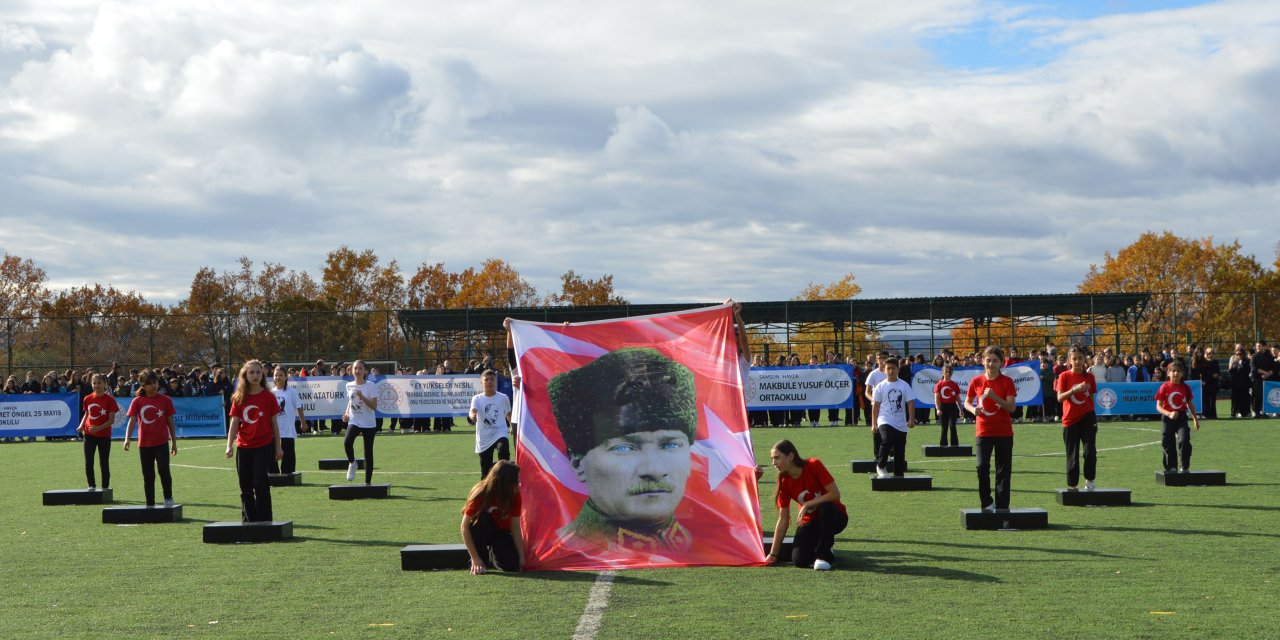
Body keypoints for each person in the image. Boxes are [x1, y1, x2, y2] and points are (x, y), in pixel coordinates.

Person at [548, 347, 695, 552]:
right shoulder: (564, 549)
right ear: (578, 464)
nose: (653, 470)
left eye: (670, 445)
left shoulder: (711, 543)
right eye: (625, 448)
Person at [766, 439, 847, 570]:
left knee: (826, 508)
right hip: (810, 522)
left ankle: (824, 555)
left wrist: (807, 504)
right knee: (800, 560)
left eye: (777, 458)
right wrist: (773, 554)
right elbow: (783, 519)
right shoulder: (783, 482)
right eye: (772, 458)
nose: (773, 463)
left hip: (835, 517)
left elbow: (835, 494)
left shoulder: (814, 464)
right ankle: (823, 544)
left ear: (791, 456)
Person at [226, 360, 283, 522]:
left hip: (264, 446)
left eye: (258, 372)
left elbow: (274, 424)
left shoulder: (269, 397)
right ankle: (249, 522)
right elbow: (234, 423)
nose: (255, 375)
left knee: (259, 483)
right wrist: (229, 445)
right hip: (243, 447)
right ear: (245, 375)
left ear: (262, 375)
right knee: (245, 485)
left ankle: (265, 521)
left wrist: (278, 447)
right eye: (251, 372)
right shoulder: (239, 397)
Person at [964, 346, 1017, 511]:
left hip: (1003, 432)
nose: (991, 363)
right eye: (988, 360)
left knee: (1003, 470)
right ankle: (986, 502)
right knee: (981, 467)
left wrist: (995, 397)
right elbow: (967, 402)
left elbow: (1011, 408)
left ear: (1001, 362)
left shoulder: (1007, 381)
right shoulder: (977, 381)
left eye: (995, 360)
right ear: (982, 361)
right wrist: (974, 410)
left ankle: (1002, 506)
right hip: (983, 431)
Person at [122, 370, 178, 507]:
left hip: (161, 443)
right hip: (144, 445)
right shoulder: (137, 401)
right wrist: (127, 438)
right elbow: (132, 421)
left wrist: (174, 443)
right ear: (143, 385)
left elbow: (170, 422)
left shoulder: (166, 400)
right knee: (148, 476)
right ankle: (150, 503)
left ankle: (168, 498)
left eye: (155, 382)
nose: (153, 386)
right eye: (149, 384)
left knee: (164, 470)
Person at [461, 460, 524, 574]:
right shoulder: (481, 493)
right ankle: (480, 555)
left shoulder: (515, 494)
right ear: (505, 481)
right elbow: (464, 527)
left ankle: (494, 554)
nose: (519, 483)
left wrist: (521, 558)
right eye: (516, 479)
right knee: (484, 518)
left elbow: (515, 526)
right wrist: (475, 559)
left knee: (511, 565)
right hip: (481, 530)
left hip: (501, 532)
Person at [1055, 347, 1098, 491]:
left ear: (1084, 359)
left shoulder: (1089, 377)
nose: (1078, 361)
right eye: (1074, 358)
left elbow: (1091, 397)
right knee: (1072, 454)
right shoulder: (1064, 376)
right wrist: (1074, 390)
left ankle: (1090, 480)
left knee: (1090, 452)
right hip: (1070, 419)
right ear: (1069, 360)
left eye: (1080, 358)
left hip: (1088, 418)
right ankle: (1073, 485)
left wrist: (1091, 414)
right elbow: (1060, 398)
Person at [871, 357, 915, 478]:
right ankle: (880, 465)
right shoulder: (880, 386)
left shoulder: (904, 385)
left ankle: (898, 475)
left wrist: (911, 419)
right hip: (884, 420)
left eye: (893, 368)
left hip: (900, 422)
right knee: (887, 440)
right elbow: (875, 406)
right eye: (888, 368)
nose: (891, 371)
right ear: (884, 370)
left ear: (898, 369)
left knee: (900, 449)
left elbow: (910, 402)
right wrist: (874, 423)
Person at [1156, 360, 1201, 473]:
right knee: (1167, 441)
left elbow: (1190, 404)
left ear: (1182, 374)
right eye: (1173, 371)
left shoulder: (1186, 387)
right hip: (1168, 418)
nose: (1176, 374)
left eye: (1178, 371)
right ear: (1168, 373)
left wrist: (1195, 419)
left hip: (1181, 417)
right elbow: (1158, 407)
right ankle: (1171, 467)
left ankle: (1184, 466)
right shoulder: (1164, 387)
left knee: (1184, 440)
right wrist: (1169, 413)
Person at [78, 373, 118, 490]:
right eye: (94, 383)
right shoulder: (87, 398)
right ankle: (91, 485)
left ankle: (105, 487)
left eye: (99, 383)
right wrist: (81, 426)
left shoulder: (110, 400)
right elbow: (87, 414)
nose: (96, 385)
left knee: (104, 463)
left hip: (104, 436)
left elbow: (111, 421)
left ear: (105, 384)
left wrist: (98, 428)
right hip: (89, 435)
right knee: (88, 462)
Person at [469, 369, 512, 479]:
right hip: (484, 437)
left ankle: (502, 482)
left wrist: (512, 426)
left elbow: (508, 414)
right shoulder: (477, 398)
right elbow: (472, 411)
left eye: (492, 379)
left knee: (503, 451)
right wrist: (472, 417)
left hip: (500, 433)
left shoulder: (503, 397)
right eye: (486, 379)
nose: (489, 382)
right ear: (481, 382)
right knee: (485, 472)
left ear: (496, 382)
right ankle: (486, 492)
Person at [342, 360, 379, 483]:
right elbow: (350, 401)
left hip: (368, 423)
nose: (357, 371)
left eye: (360, 368)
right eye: (355, 368)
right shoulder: (349, 385)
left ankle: (367, 482)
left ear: (365, 371)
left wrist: (362, 396)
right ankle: (352, 463)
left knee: (368, 451)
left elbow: (374, 406)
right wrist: (347, 413)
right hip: (354, 421)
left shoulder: (371, 386)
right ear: (351, 370)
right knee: (347, 442)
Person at [269, 365, 306, 475]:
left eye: (281, 375)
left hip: (288, 431)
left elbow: (299, 407)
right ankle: (273, 476)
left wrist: (303, 423)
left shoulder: (292, 392)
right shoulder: (270, 393)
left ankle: (288, 476)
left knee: (288, 457)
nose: (278, 377)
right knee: (271, 457)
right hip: (272, 432)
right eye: (276, 375)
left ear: (286, 377)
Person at [934, 364, 960, 447]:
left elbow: (958, 398)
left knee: (952, 426)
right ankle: (943, 446)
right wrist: (938, 409)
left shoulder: (955, 385)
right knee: (944, 427)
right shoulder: (939, 384)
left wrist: (961, 409)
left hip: (952, 407)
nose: (948, 374)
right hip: (943, 407)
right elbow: (936, 398)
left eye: (949, 372)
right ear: (942, 373)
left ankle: (955, 446)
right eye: (946, 372)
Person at [1250, 341, 1274, 418]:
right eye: (1257, 346)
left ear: (1265, 347)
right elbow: (1254, 368)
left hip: (1267, 380)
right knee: (1257, 395)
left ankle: (1265, 412)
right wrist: (1264, 373)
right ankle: (1256, 412)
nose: (1257, 348)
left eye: (1259, 346)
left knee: (1266, 395)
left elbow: (1274, 368)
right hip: (1257, 379)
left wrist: (1268, 374)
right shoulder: (1254, 357)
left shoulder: (1270, 356)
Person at [1228, 345, 1251, 418]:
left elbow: (1248, 370)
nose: (1239, 356)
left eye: (1240, 354)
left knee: (1244, 398)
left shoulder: (1246, 361)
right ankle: (1233, 413)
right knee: (1234, 399)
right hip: (1235, 384)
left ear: (1243, 354)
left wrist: (1241, 365)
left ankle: (1245, 413)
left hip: (1244, 383)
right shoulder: (1234, 362)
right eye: (1237, 354)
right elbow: (1230, 372)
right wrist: (1234, 366)